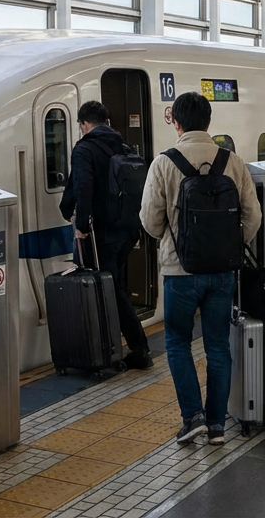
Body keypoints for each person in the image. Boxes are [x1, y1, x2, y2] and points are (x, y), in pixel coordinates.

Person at [141, 91, 261, 447]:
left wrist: (173, 241)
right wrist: (230, 245)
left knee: (178, 342)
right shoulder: (232, 161)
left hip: (179, 273)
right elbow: (253, 216)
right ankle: (217, 426)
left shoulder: (163, 163)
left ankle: (192, 418)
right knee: (218, 346)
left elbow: (150, 220)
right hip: (222, 272)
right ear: (209, 122)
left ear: (176, 123)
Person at [59, 100, 154, 371]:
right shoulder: (123, 146)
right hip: (129, 230)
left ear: (84, 124)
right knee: (115, 285)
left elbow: (82, 186)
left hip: (103, 233)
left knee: (112, 288)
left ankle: (138, 349)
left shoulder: (84, 148)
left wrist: (79, 224)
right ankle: (116, 346)